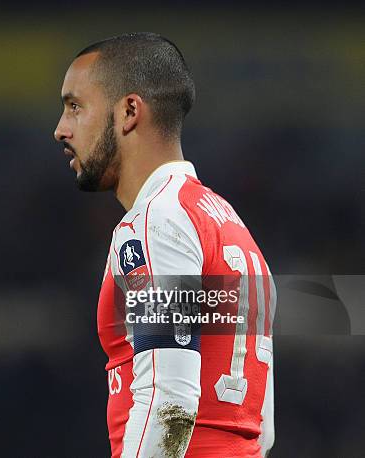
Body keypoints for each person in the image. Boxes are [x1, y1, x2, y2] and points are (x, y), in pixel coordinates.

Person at [53, 33, 275, 458]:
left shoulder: (156, 223)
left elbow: (168, 404)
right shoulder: (231, 227)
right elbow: (260, 429)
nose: (61, 129)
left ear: (129, 111)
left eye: (75, 106)